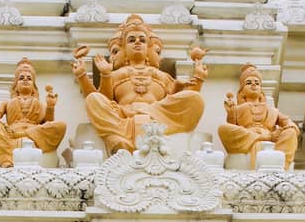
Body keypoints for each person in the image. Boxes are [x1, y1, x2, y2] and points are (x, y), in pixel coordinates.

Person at [72, 14, 206, 154]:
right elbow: (103, 99)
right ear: (123, 48)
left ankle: (124, 135)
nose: (137, 42)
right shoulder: (117, 74)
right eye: (131, 40)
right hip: (123, 118)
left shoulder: (162, 76)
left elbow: (175, 100)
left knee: (195, 99)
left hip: (156, 118)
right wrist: (101, 74)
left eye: (142, 40)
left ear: (149, 47)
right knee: (94, 100)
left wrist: (195, 79)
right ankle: (116, 138)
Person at [0, 59, 66, 167]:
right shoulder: (6, 102)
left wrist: (50, 107)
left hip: (34, 134)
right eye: (21, 78)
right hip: (11, 135)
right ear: (16, 85)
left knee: (61, 126)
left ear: (33, 86)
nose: (25, 80)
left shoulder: (40, 104)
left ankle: (15, 143)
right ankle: (6, 159)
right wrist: (1, 126)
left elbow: (48, 123)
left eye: (29, 78)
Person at [218, 64, 299, 169]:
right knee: (223, 128)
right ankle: (266, 139)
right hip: (247, 137)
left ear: (261, 89)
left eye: (257, 83)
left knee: (291, 132)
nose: (253, 85)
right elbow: (232, 126)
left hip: (271, 137)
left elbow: (290, 124)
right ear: (242, 90)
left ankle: (281, 165)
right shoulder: (238, 108)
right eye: (248, 83)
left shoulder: (272, 110)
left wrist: (288, 128)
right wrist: (230, 113)